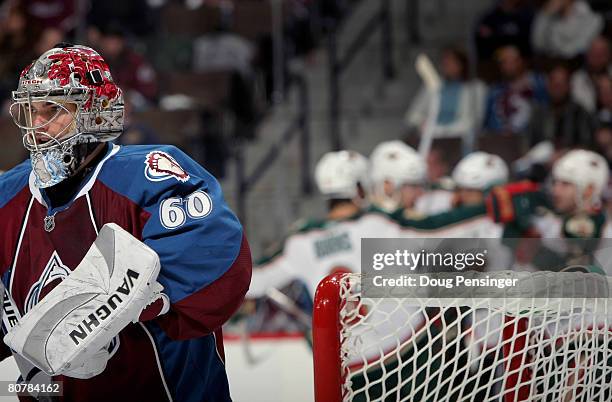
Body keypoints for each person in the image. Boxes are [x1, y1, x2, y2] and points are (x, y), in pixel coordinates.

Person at [0, 44, 251, 401]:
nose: (38, 126)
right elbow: (28, 369)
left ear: (95, 112)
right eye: (31, 110)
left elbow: (217, 259)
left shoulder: (149, 175)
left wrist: (137, 298)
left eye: (52, 109)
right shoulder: (5, 199)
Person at [484, 45, 548, 135]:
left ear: (520, 61)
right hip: (502, 139)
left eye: (510, 61)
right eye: (503, 62)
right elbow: (489, 122)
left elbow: (546, 108)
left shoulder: (537, 82)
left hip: (532, 137)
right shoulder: (495, 91)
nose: (507, 66)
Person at [527, 64, 595, 149]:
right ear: (548, 86)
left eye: (561, 85)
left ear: (569, 87)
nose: (557, 89)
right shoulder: (538, 112)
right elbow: (528, 143)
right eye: (554, 85)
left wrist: (564, 153)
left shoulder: (580, 113)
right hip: (542, 159)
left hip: (573, 159)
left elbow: (587, 144)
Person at [531, 0, 603, 59]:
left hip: (574, 65)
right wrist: (546, 14)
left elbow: (579, 48)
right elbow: (537, 45)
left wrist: (554, 51)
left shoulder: (592, 17)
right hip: (549, 64)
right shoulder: (549, 15)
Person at [571, 35, 612, 113]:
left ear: (609, 55)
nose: (596, 57)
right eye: (593, 52)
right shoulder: (576, 80)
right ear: (587, 55)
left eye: (601, 53)